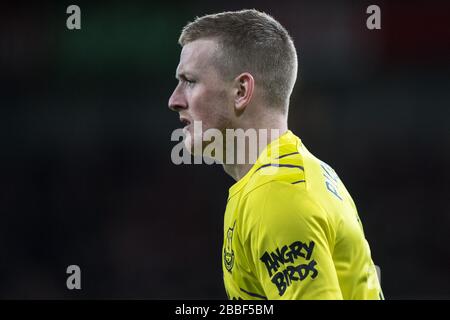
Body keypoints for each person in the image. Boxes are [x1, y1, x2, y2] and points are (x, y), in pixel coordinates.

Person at [168, 9, 383, 300]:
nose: (174, 100)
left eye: (190, 81)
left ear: (241, 91)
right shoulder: (290, 175)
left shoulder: (276, 195)